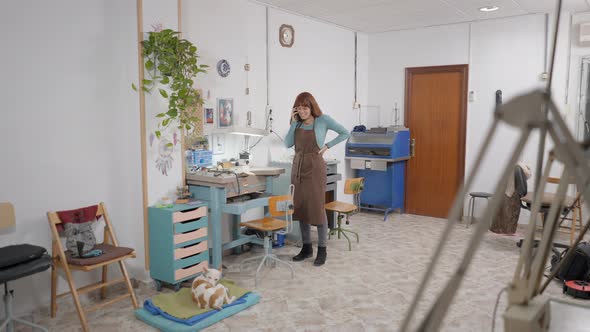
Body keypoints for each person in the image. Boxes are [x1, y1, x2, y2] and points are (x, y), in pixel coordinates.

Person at [284, 92, 350, 266]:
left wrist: (327, 146)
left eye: (305, 107)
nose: (302, 111)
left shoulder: (323, 120)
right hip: (297, 168)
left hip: (314, 168)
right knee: (301, 209)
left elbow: (345, 133)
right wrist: (292, 122)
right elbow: (287, 143)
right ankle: (306, 248)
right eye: (298, 108)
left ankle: (322, 249)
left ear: (311, 107)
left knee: (317, 209)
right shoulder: (296, 123)